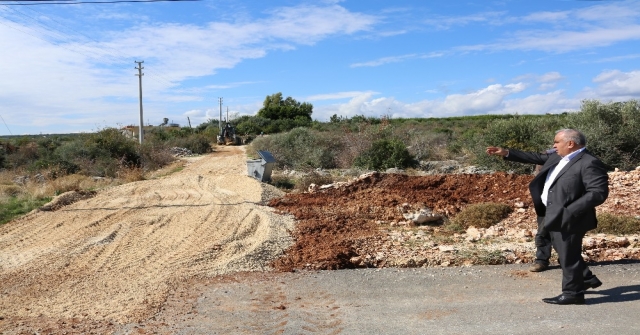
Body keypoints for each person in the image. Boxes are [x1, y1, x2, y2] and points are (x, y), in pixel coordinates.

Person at [486, 129, 609, 305]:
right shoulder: (560, 158)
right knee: (566, 252)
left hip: (569, 217)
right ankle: (586, 279)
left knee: (568, 255)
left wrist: (569, 211)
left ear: (570, 143)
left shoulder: (589, 162)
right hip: (551, 212)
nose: (553, 145)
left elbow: (598, 193)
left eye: (556, 142)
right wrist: (506, 153)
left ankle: (572, 293)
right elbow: (535, 157)